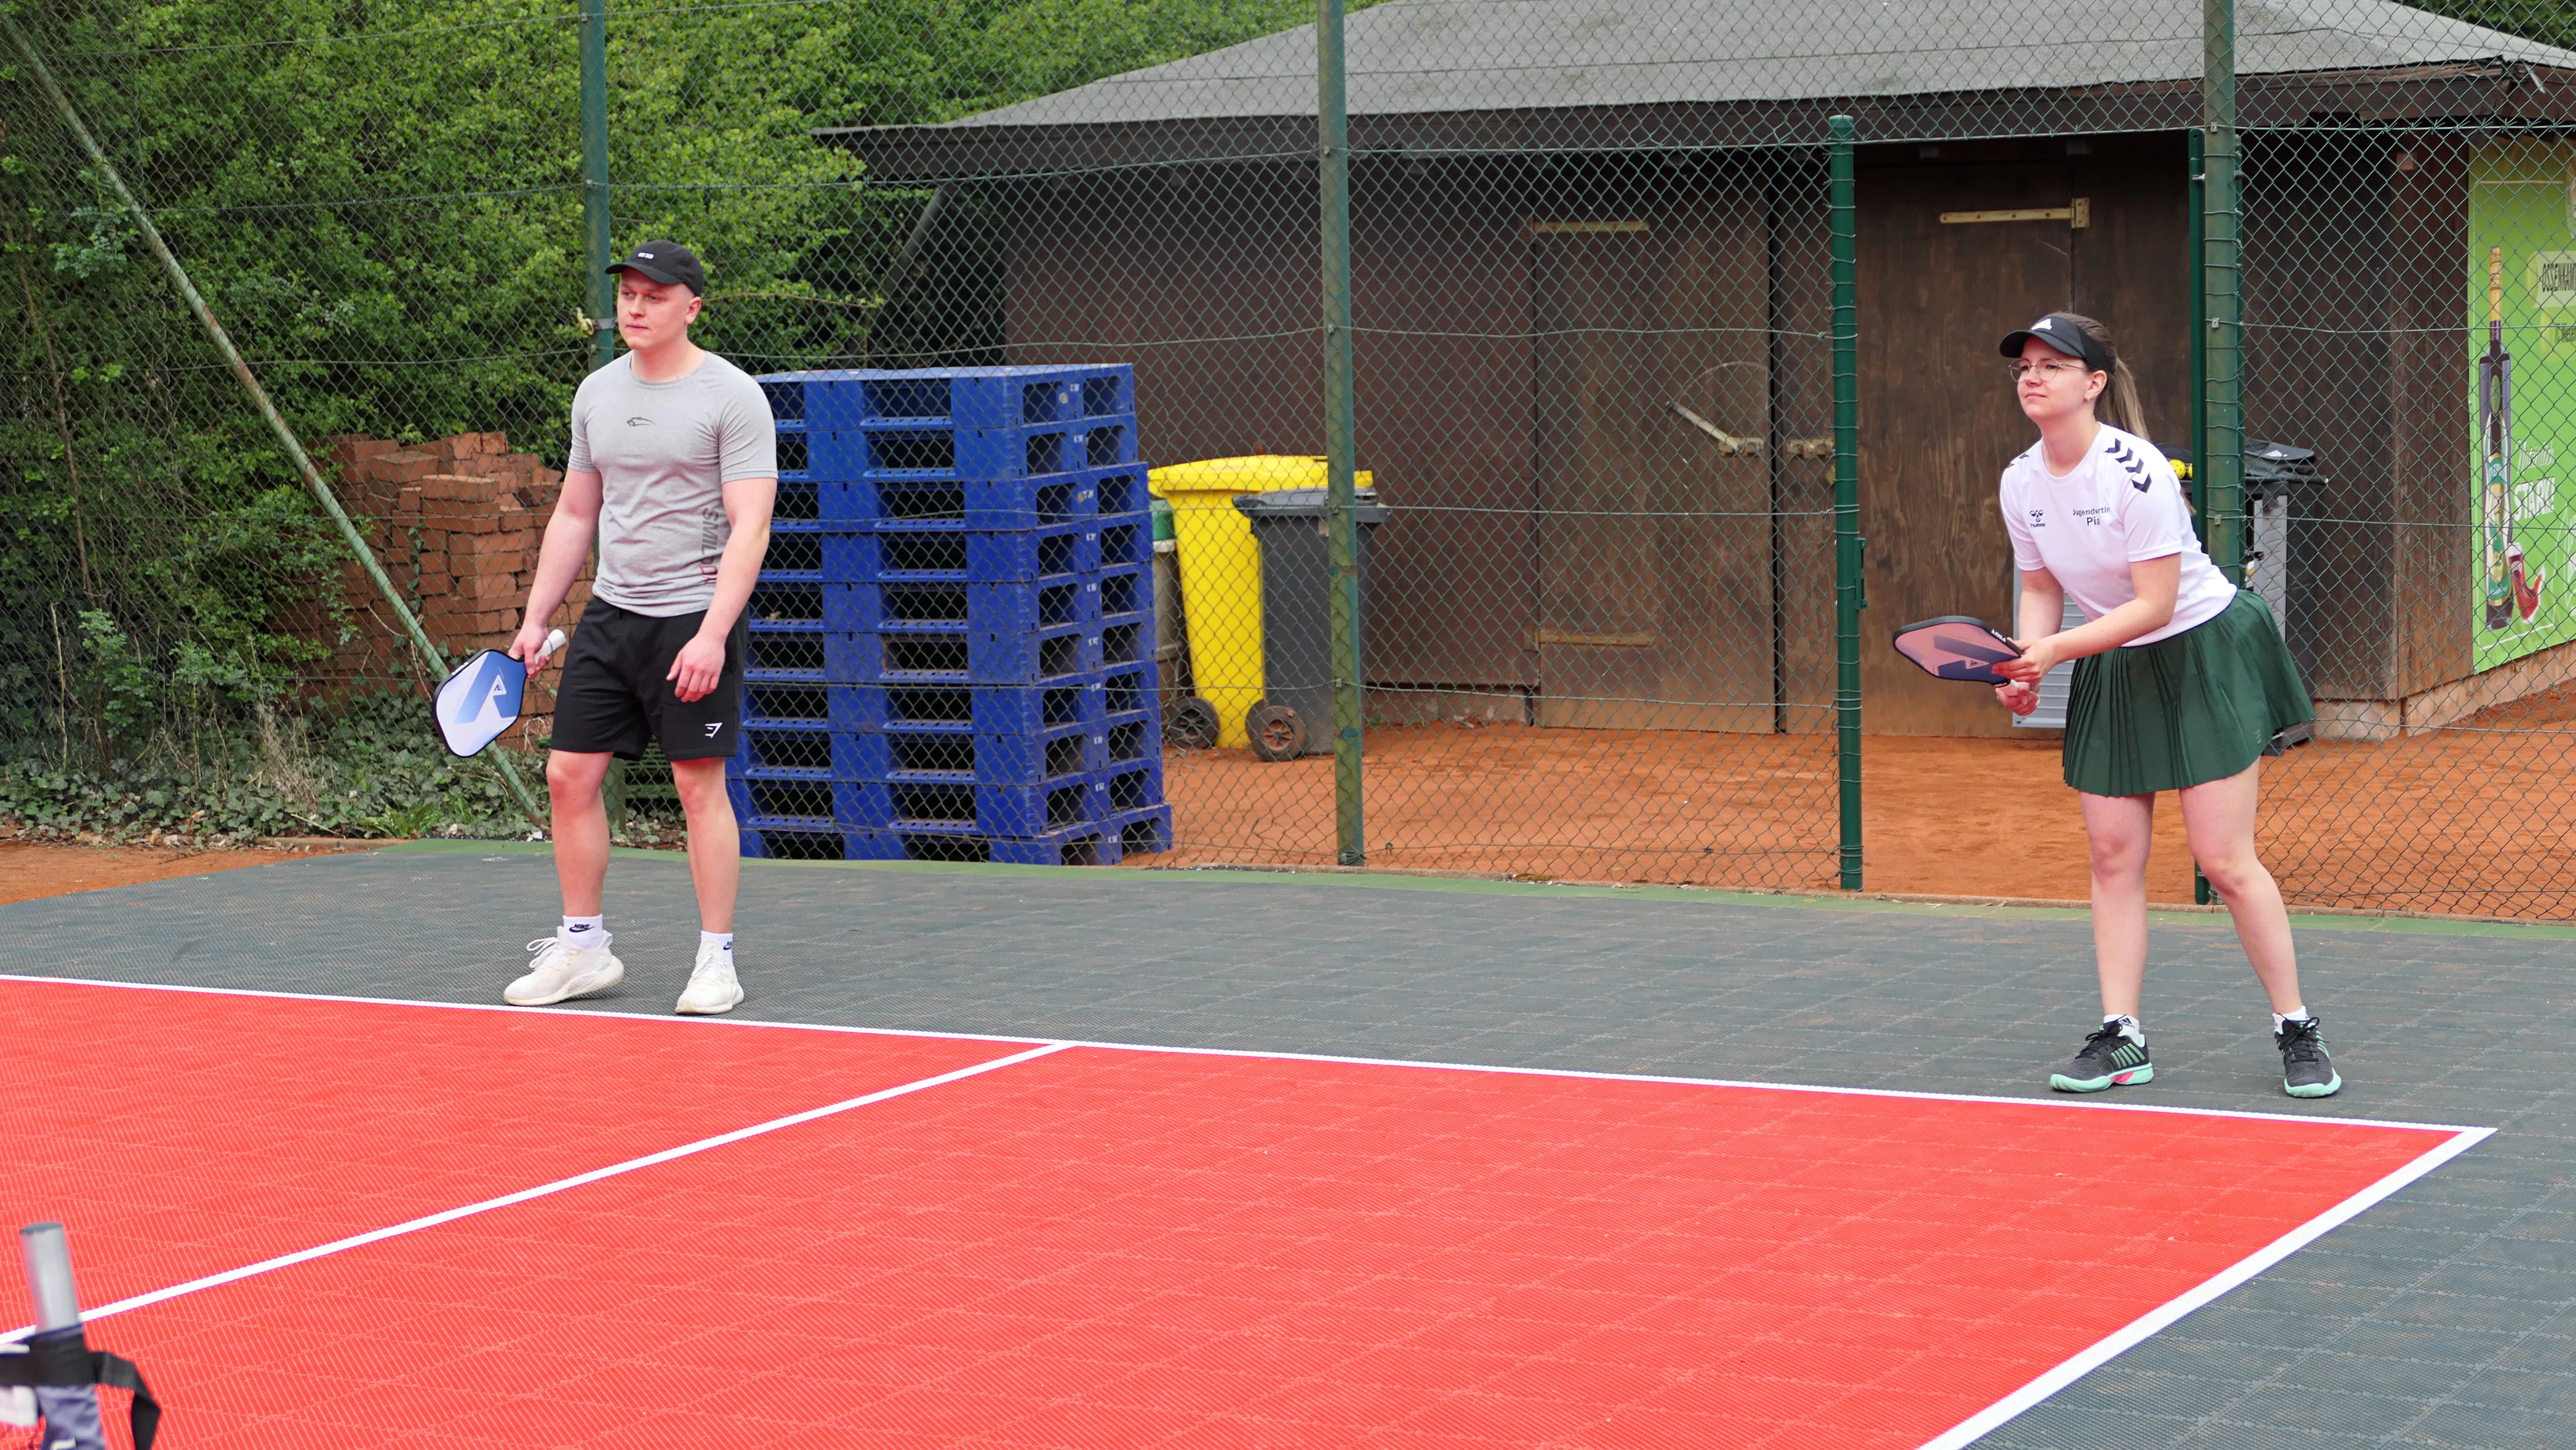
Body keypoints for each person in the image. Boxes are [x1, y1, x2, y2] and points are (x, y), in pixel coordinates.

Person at [1990, 312, 2337, 1098]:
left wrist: (2053, 654)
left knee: (2224, 861)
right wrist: (2026, 662)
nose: (2032, 377)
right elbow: (2042, 587)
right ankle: (2122, 1037)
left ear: (2095, 385)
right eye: (2024, 368)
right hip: (2114, 663)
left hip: (2201, 647)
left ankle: (2297, 1028)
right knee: (2114, 857)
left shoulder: (2135, 471)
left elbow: (2153, 604)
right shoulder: (2020, 479)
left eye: (2052, 365)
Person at [501, 240, 776, 1015]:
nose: (635, 306)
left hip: (693, 619)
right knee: (568, 776)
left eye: (655, 295)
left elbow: (750, 527)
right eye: (627, 291)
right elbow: (576, 512)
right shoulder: (595, 393)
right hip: (612, 617)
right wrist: (535, 617)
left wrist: (713, 634)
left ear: (692, 306)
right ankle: (584, 950)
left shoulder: (734, 397)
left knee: (698, 786)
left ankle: (715, 961)